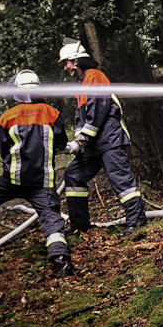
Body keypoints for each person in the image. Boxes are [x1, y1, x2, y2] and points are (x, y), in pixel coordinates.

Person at [0, 69, 74, 277]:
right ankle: (63, 265)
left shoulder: (6, 117)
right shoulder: (52, 113)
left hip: (13, 180)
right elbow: (60, 144)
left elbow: (0, 155)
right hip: (42, 182)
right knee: (51, 219)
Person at [58, 40, 146, 238]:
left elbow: (98, 110)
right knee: (73, 175)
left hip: (109, 140)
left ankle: (137, 224)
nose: (65, 67)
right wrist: (77, 141)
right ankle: (80, 226)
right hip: (93, 144)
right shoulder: (81, 84)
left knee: (121, 181)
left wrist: (82, 140)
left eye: (66, 63)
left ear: (76, 61)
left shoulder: (94, 76)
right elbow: (81, 117)